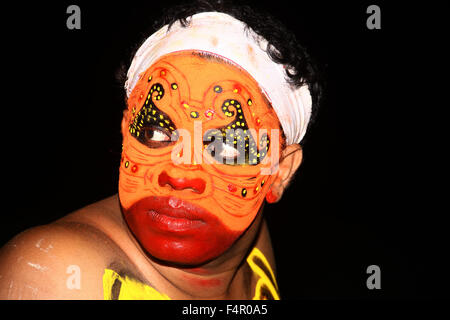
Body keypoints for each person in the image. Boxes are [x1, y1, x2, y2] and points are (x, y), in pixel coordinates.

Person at [0, 0, 321, 300]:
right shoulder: (56, 271)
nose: (179, 174)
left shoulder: (252, 246)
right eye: (156, 132)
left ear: (279, 172)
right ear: (127, 130)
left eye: (227, 146)